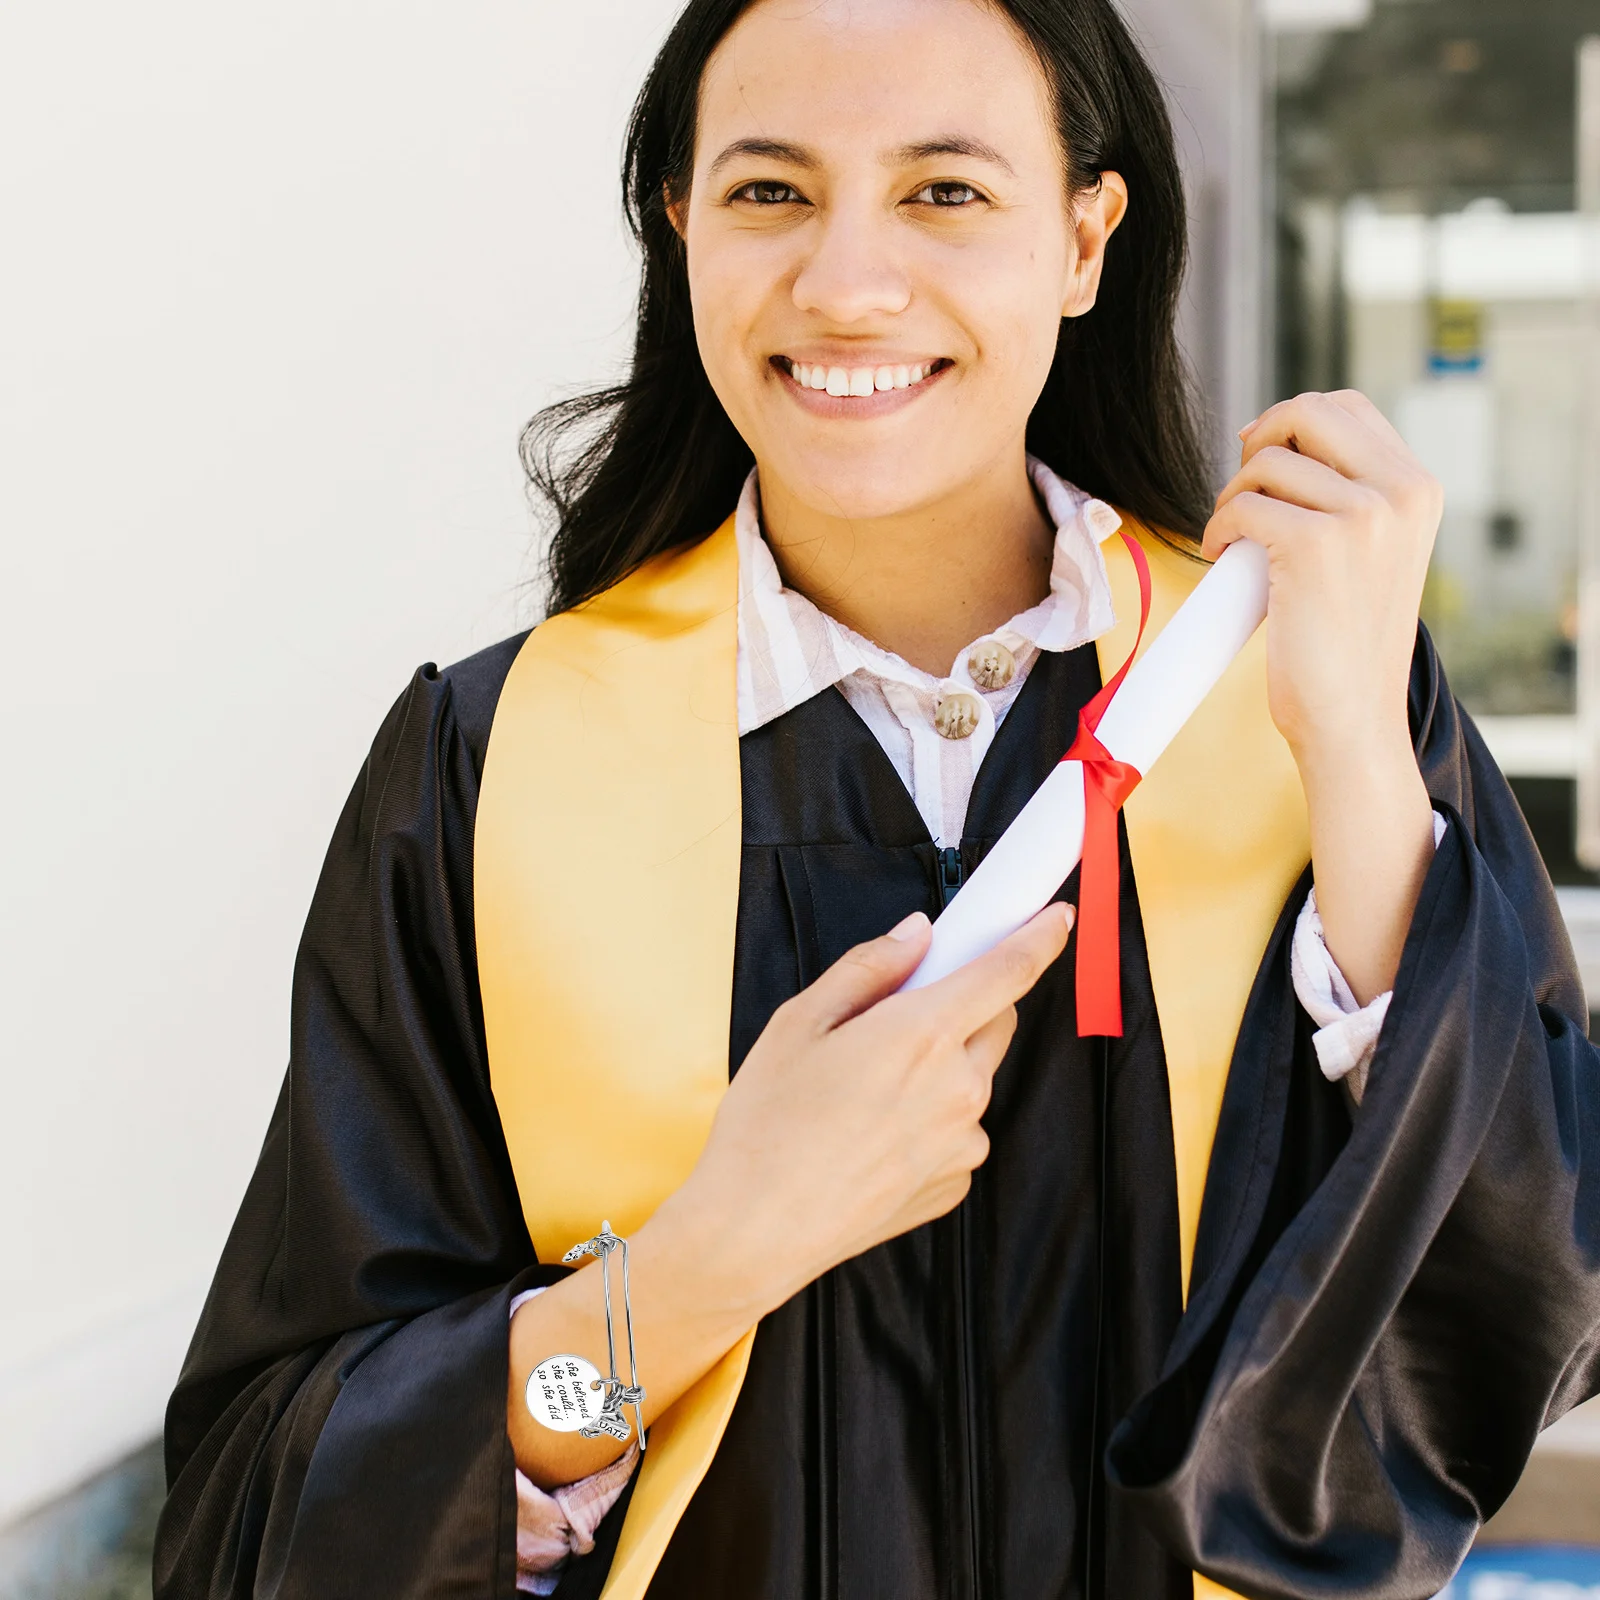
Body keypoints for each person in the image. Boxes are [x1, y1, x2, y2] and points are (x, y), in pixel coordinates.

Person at [153, 1, 1600, 1596]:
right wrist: (691, 1278)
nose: (847, 282)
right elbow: (268, 1512)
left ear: (1085, 239)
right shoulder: (495, 770)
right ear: (682, 230)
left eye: (945, 190)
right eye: (771, 191)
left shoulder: (1291, 703)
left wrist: (1360, 764)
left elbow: (1533, 1305)